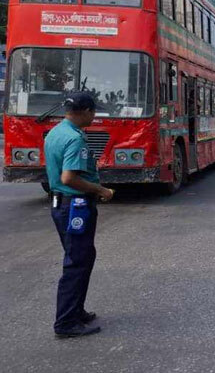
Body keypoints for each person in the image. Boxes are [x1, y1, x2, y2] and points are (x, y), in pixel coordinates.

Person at [43, 92, 115, 338]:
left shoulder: (56, 132)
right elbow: (69, 178)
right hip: (75, 206)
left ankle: (76, 311)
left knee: (82, 256)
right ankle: (65, 323)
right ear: (85, 111)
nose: (94, 116)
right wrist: (101, 190)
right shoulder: (74, 139)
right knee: (76, 262)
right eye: (93, 112)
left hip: (62, 204)